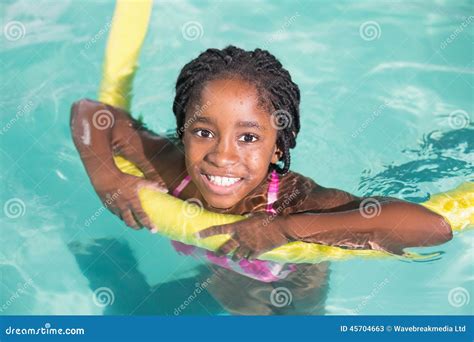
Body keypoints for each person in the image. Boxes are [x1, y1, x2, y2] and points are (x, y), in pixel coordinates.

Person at [70, 46, 452, 291]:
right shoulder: (174, 171)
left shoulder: (297, 203)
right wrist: (108, 180)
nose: (222, 156)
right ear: (182, 133)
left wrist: (283, 229)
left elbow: (432, 228)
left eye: (249, 138)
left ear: (277, 147)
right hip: (223, 279)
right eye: (204, 132)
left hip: (295, 286)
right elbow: (92, 113)